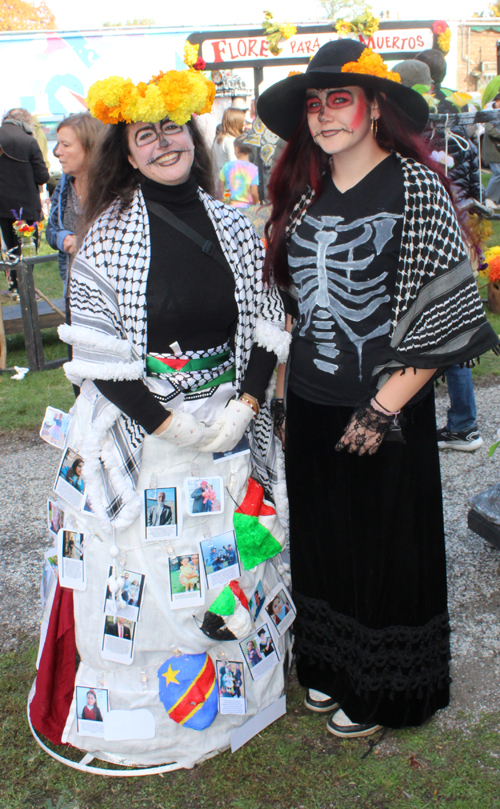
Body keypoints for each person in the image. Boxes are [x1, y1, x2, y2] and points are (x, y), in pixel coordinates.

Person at [31, 67, 291, 769]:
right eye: (145, 135)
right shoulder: (107, 239)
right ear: (128, 151)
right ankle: (153, 719)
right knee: (143, 571)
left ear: (192, 136)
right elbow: (103, 361)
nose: (163, 144)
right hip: (144, 434)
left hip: (228, 427)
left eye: (172, 128)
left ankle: (242, 689)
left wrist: (243, 408)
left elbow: (269, 323)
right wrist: (173, 428)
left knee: (236, 549)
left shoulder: (234, 223)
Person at [258, 40, 498, 739]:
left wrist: (380, 407)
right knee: (324, 542)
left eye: (339, 99)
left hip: (383, 407)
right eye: (314, 103)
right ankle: (331, 665)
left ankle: (385, 686)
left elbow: (447, 313)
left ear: (373, 107)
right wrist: (280, 397)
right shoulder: (304, 195)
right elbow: (293, 308)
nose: (325, 115)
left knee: (384, 546)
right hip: (309, 399)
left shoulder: (414, 186)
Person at [46, 113, 105, 289]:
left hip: (110, 291)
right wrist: (64, 239)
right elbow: (51, 230)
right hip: (74, 289)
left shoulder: (114, 188)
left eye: (66, 145)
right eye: (57, 144)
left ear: (91, 147)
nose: (57, 152)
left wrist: (84, 243)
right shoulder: (65, 183)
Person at [0, 108, 49, 296]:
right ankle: (25, 287)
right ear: (24, 123)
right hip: (27, 207)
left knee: (9, 246)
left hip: (2, 207)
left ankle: (13, 286)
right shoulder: (28, 141)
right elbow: (43, 176)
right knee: (27, 249)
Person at [218, 135, 259, 208]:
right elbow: (254, 192)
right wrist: (256, 204)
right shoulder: (254, 169)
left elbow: (220, 188)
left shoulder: (227, 166)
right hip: (247, 208)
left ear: (236, 149)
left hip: (229, 207)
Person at [212, 107, 246, 190]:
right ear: (236, 122)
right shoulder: (231, 141)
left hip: (219, 183)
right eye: (243, 121)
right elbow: (234, 167)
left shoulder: (218, 139)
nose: (244, 124)